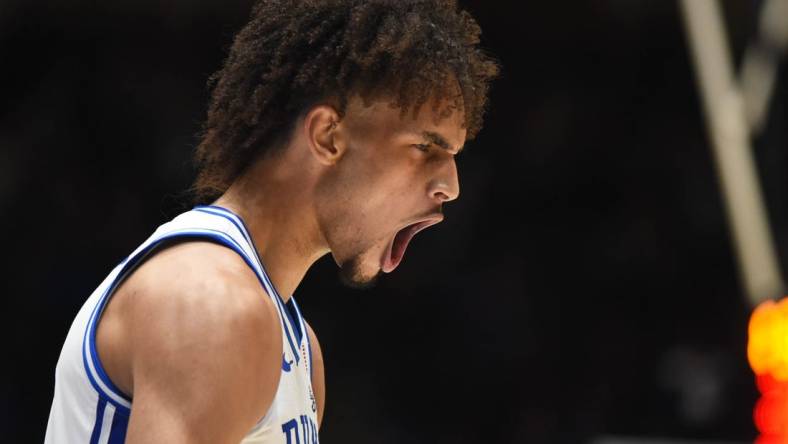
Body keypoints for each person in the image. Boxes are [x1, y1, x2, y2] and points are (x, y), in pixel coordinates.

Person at [45, 0, 499, 442]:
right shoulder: (210, 304)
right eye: (425, 147)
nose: (451, 185)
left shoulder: (300, 350)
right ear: (327, 137)